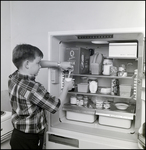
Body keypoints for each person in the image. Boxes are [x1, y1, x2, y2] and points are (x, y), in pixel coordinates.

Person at [8, 44, 74, 149]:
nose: (40, 66)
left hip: (17, 135)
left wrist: (59, 64)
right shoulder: (34, 88)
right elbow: (55, 106)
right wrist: (66, 86)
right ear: (27, 64)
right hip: (30, 139)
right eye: (38, 63)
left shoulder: (14, 77)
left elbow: (38, 63)